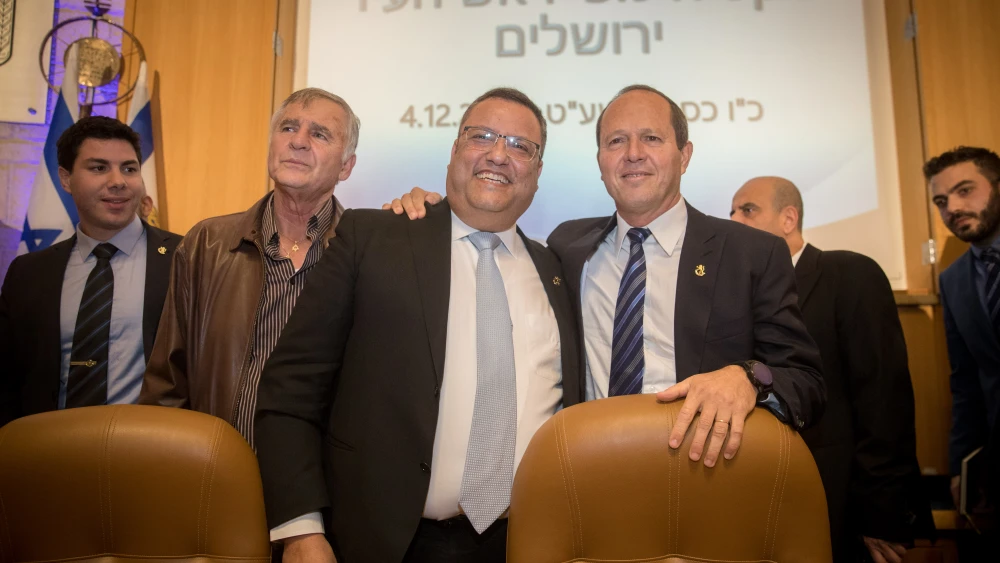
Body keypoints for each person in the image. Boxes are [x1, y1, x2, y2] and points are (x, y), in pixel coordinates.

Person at [391, 84, 825, 468]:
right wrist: (433, 212)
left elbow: (806, 379)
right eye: (616, 141)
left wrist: (747, 377)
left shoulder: (751, 253)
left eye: (651, 138)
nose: (633, 153)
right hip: (587, 481)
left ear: (685, 155)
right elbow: (484, 222)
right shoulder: (566, 249)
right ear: (600, 161)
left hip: (708, 487)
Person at [254, 87, 581, 563]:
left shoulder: (556, 270)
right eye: (482, 136)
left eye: (519, 146)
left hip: (527, 543)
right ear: (453, 151)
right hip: (384, 543)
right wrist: (301, 530)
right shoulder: (373, 238)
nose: (497, 154)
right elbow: (290, 391)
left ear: (537, 171)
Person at [139, 88, 358, 447]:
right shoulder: (205, 244)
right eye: (288, 128)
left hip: (322, 492)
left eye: (319, 134)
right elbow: (168, 381)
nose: (298, 142)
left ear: (346, 166)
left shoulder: (364, 254)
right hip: (214, 477)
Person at [730, 176, 933, 563]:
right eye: (732, 212)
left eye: (748, 210)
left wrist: (882, 511)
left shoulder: (848, 274)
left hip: (845, 503)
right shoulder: (744, 295)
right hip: (768, 497)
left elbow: (884, 399)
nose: (735, 221)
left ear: (788, 218)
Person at [0, 116, 180, 426]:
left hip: (150, 453)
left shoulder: (184, 258)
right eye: (99, 168)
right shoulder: (28, 273)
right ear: (66, 179)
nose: (118, 181)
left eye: (129, 168)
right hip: (47, 453)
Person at [925, 146, 1000, 516]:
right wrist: (960, 470)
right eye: (941, 200)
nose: (951, 208)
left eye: (965, 190)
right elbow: (966, 385)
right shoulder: (953, 283)